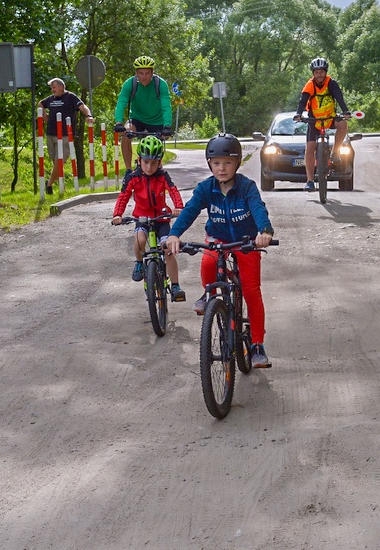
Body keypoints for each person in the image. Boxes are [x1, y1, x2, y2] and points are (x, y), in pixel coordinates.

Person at [165, 134, 275, 368]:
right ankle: (209, 295)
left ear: (237, 164)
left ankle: (257, 345)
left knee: (251, 290)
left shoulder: (246, 187)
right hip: (218, 238)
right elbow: (190, 211)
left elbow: (258, 208)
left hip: (247, 241)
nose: (222, 168)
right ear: (209, 164)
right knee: (208, 261)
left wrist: (264, 231)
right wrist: (175, 233)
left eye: (227, 162)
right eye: (216, 163)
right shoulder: (206, 188)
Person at [111, 136, 186, 302]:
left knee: (168, 249)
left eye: (154, 163)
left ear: (160, 162)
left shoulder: (163, 176)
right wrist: (118, 214)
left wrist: (178, 207)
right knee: (139, 240)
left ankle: (175, 286)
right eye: (146, 162)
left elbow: (173, 191)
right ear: (139, 160)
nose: (149, 166)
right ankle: (139, 262)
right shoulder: (133, 177)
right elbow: (123, 196)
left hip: (161, 219)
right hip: (142, 219)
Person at [292, 57, 351, 192]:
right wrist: (299, 113)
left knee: (343, 125)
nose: (319, 75)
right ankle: (310, 181)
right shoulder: (310, 85)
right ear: (313, 73)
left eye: (321, 72)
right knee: (310, 148)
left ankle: (335, 152)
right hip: (314, 120)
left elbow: (339, 98)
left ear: (325, 72)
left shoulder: (332, 83)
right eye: (316, 72)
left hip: (330, 118)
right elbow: (303, 100)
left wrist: (345, 111)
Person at [113, 56, 173, 172]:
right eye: (141, 73)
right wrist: (118, 122)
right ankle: (128, 170)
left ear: (152, 73)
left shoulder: (160, 84)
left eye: (147, 73)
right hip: (137, 119)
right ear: (136, 73)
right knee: (125, 135)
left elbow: (166, 106)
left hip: (157, 121)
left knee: (156, 152)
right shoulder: (130, 84)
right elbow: (121, 103)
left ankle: (159, 173)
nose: (144, 77)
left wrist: (167, 126)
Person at [38, 78, 94, 193]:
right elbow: (40, 103)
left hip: (64, 135)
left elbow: (83, 107)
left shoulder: (71, 97)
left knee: (60, 161)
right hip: (51, 133)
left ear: (61, 87)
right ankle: (61, 188)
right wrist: (43, 114)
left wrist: (89, 116)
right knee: (55, 162)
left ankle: (48, 184)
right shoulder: (50, 99)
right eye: (51, 88)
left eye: (54, 87)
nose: (52, 90)